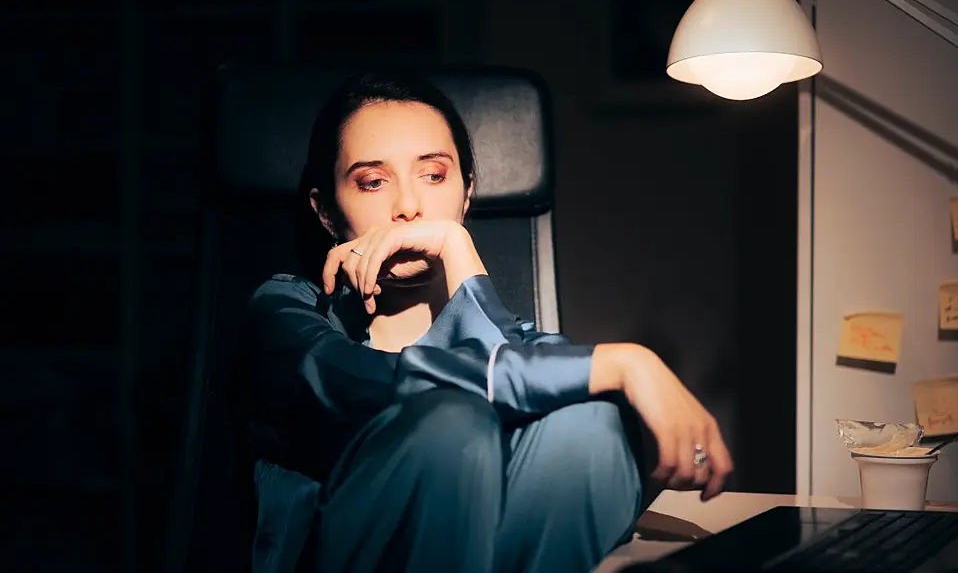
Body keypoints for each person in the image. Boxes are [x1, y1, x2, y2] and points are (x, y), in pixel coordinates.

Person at [241, 71, 734, 573]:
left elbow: (602, 465)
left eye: (433, 176)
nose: (409, 207)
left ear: (466, 193)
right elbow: (382, 389)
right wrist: (628, 362)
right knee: (454, 422)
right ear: (326, 212)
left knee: (586, 420)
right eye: (373, 182)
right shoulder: (289, 311)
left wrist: (458, 251)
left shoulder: (526, 348)